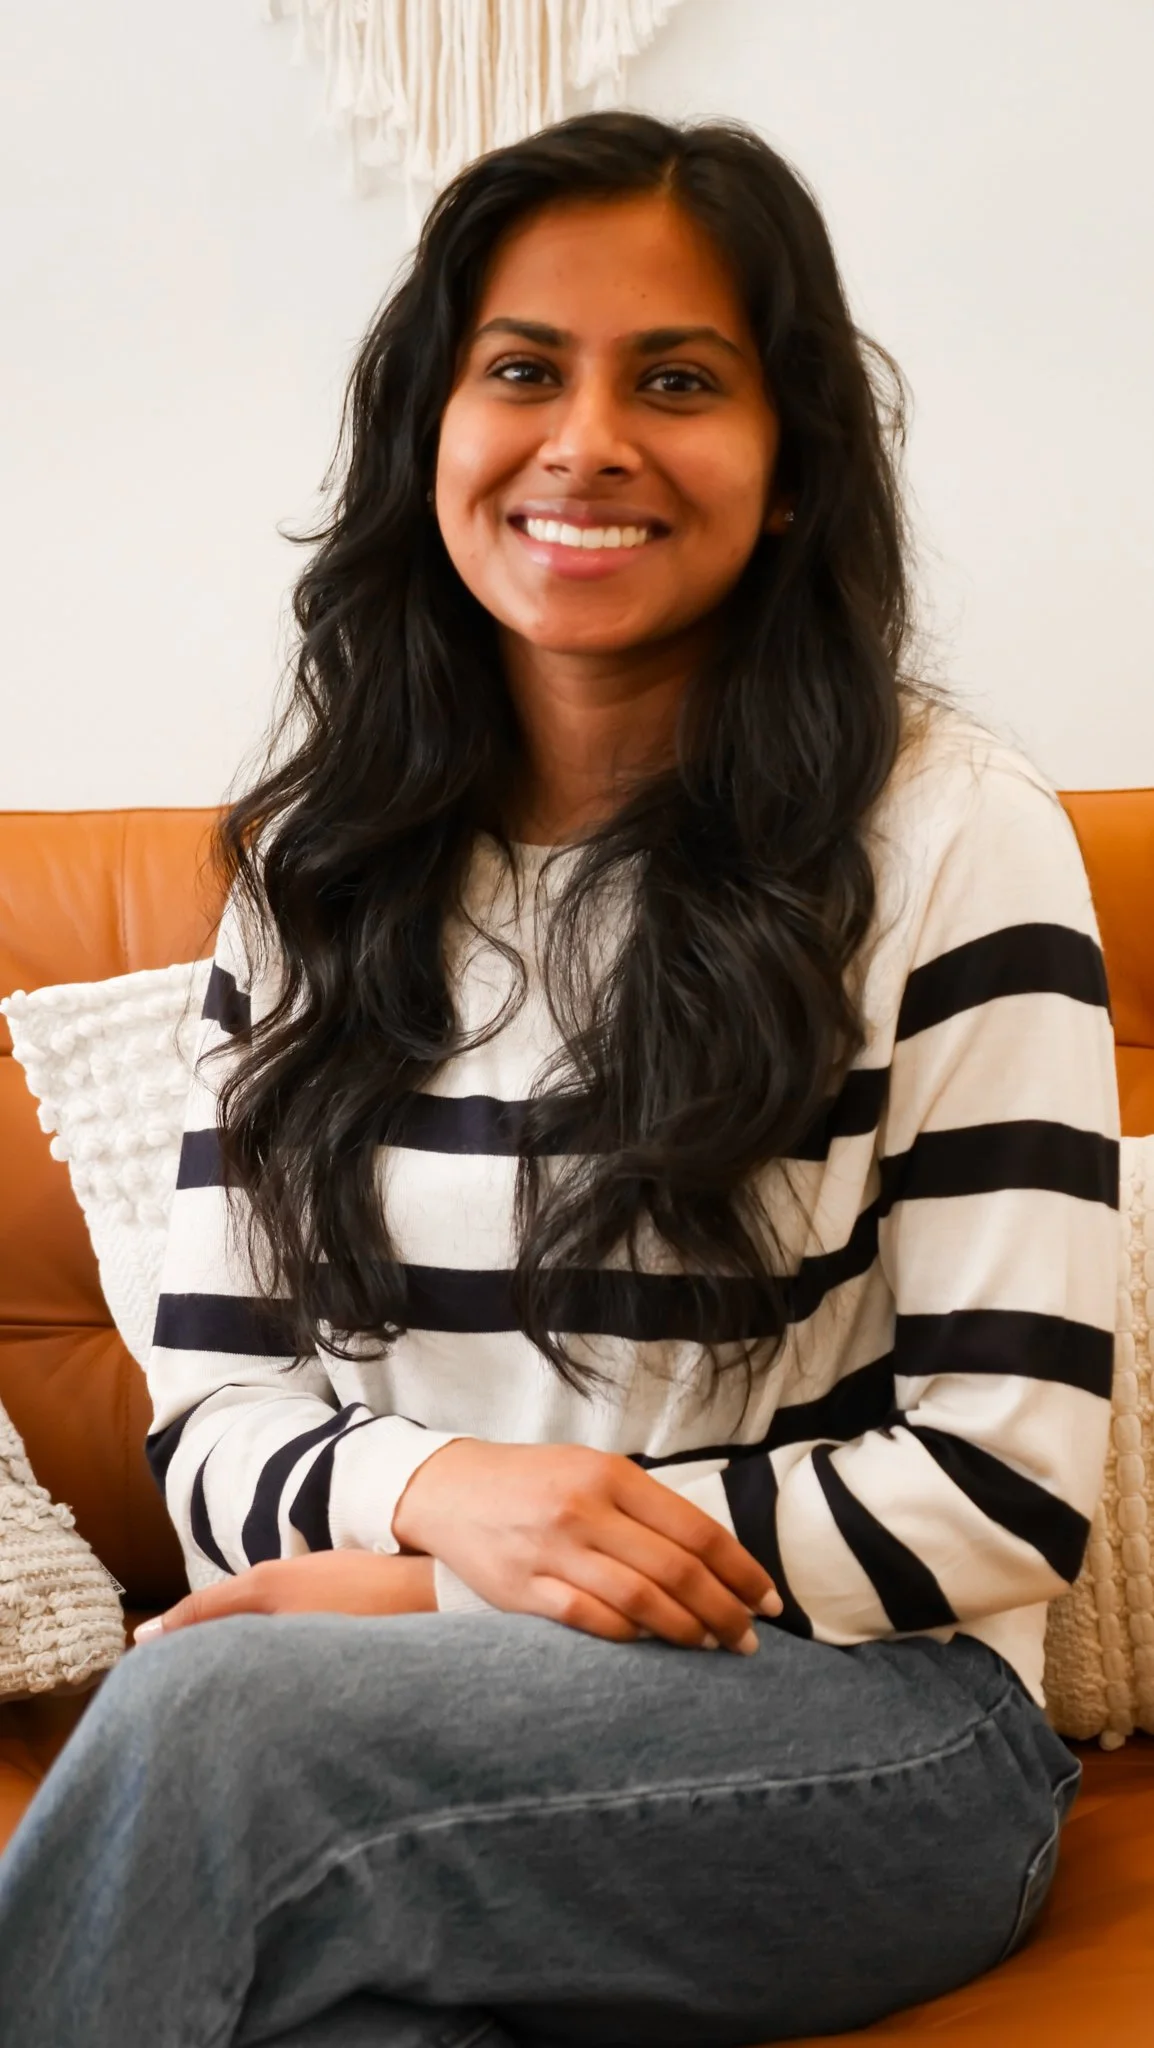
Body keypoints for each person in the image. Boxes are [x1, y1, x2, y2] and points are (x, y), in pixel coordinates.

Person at [0, 111, 1119, 2048]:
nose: (585, 439)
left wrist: (434, 1585)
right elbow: (210, 1419)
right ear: (428, 431)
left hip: (865, 1732)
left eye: (674, 379)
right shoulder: (314, 864)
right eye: (521, 369)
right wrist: (444, 1487)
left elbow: (996, 1490)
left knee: (213, 1719)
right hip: (395, 1734)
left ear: (785, 471)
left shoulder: (948, 838)